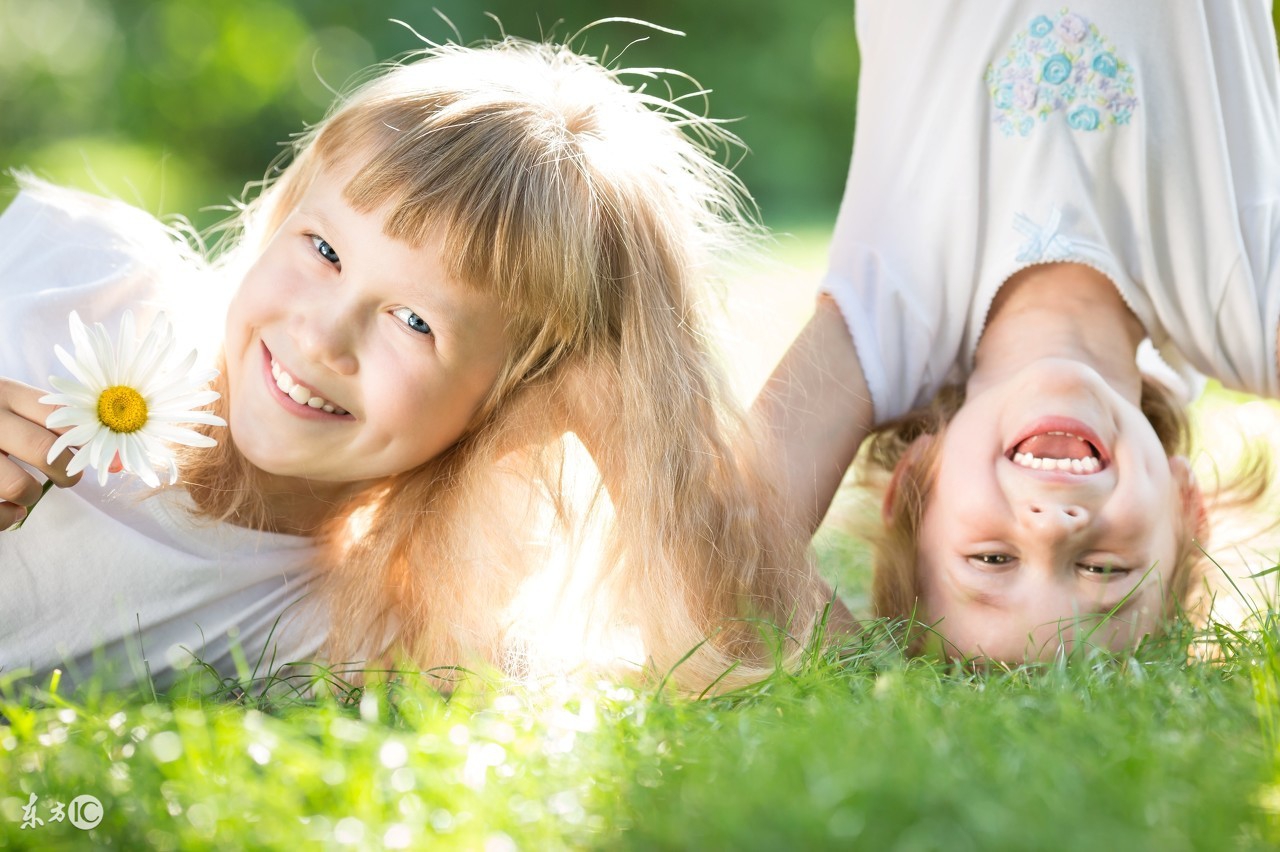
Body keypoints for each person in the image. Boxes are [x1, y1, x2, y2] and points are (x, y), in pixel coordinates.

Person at [0, 36, 829, 692]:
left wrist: (621, 418)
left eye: (413, 320)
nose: (323, 337)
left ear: (514, 399)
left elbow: (751, 648)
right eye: (324, 248)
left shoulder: (351, 625)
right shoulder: (79, 277)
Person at [754, 1, 1279, 661]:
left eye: (993, 558)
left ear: (913, 483)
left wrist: (863, 674)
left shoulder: (889, 324)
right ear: (1186, 510)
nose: (1055, 526)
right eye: (1104, 570)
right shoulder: (1251, 313)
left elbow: (714, 549)